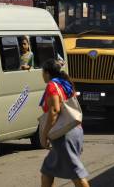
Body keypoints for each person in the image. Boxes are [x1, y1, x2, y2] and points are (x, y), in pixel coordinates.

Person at [40, 59, 89, 187]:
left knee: (76, 173)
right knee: (47, 169)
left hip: (64, 134)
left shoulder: (52, 86)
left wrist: (45, 134)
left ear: (47, 73)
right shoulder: (65, 83)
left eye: (42, 72)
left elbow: (54, 110)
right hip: (74, 129)